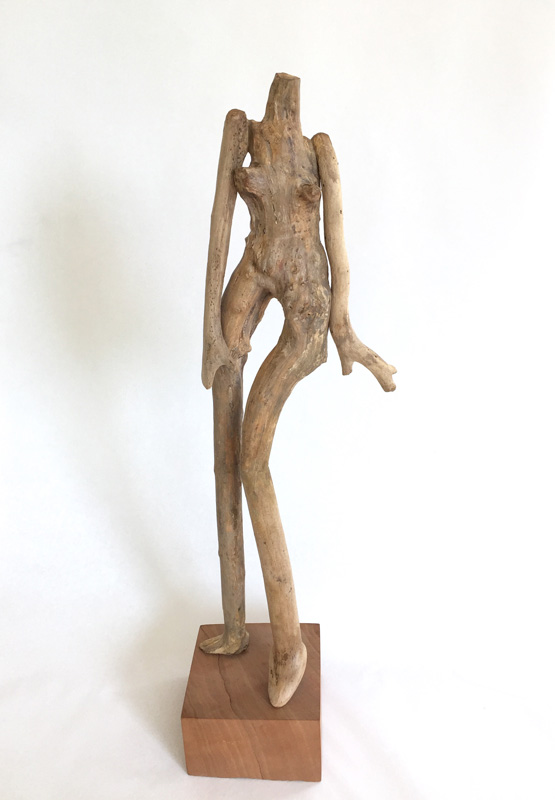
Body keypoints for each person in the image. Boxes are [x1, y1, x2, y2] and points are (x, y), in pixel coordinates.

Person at [201, 73, 396, 707]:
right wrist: (211, 333)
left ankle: (289, 646)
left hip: (306, 296)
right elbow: (220, 228)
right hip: (254, 266)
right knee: (224, 431)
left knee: (252, 462)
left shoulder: (320, 147)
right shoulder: (240, 129)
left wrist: (343, 329)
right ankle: (234, 626)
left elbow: (337, 243)